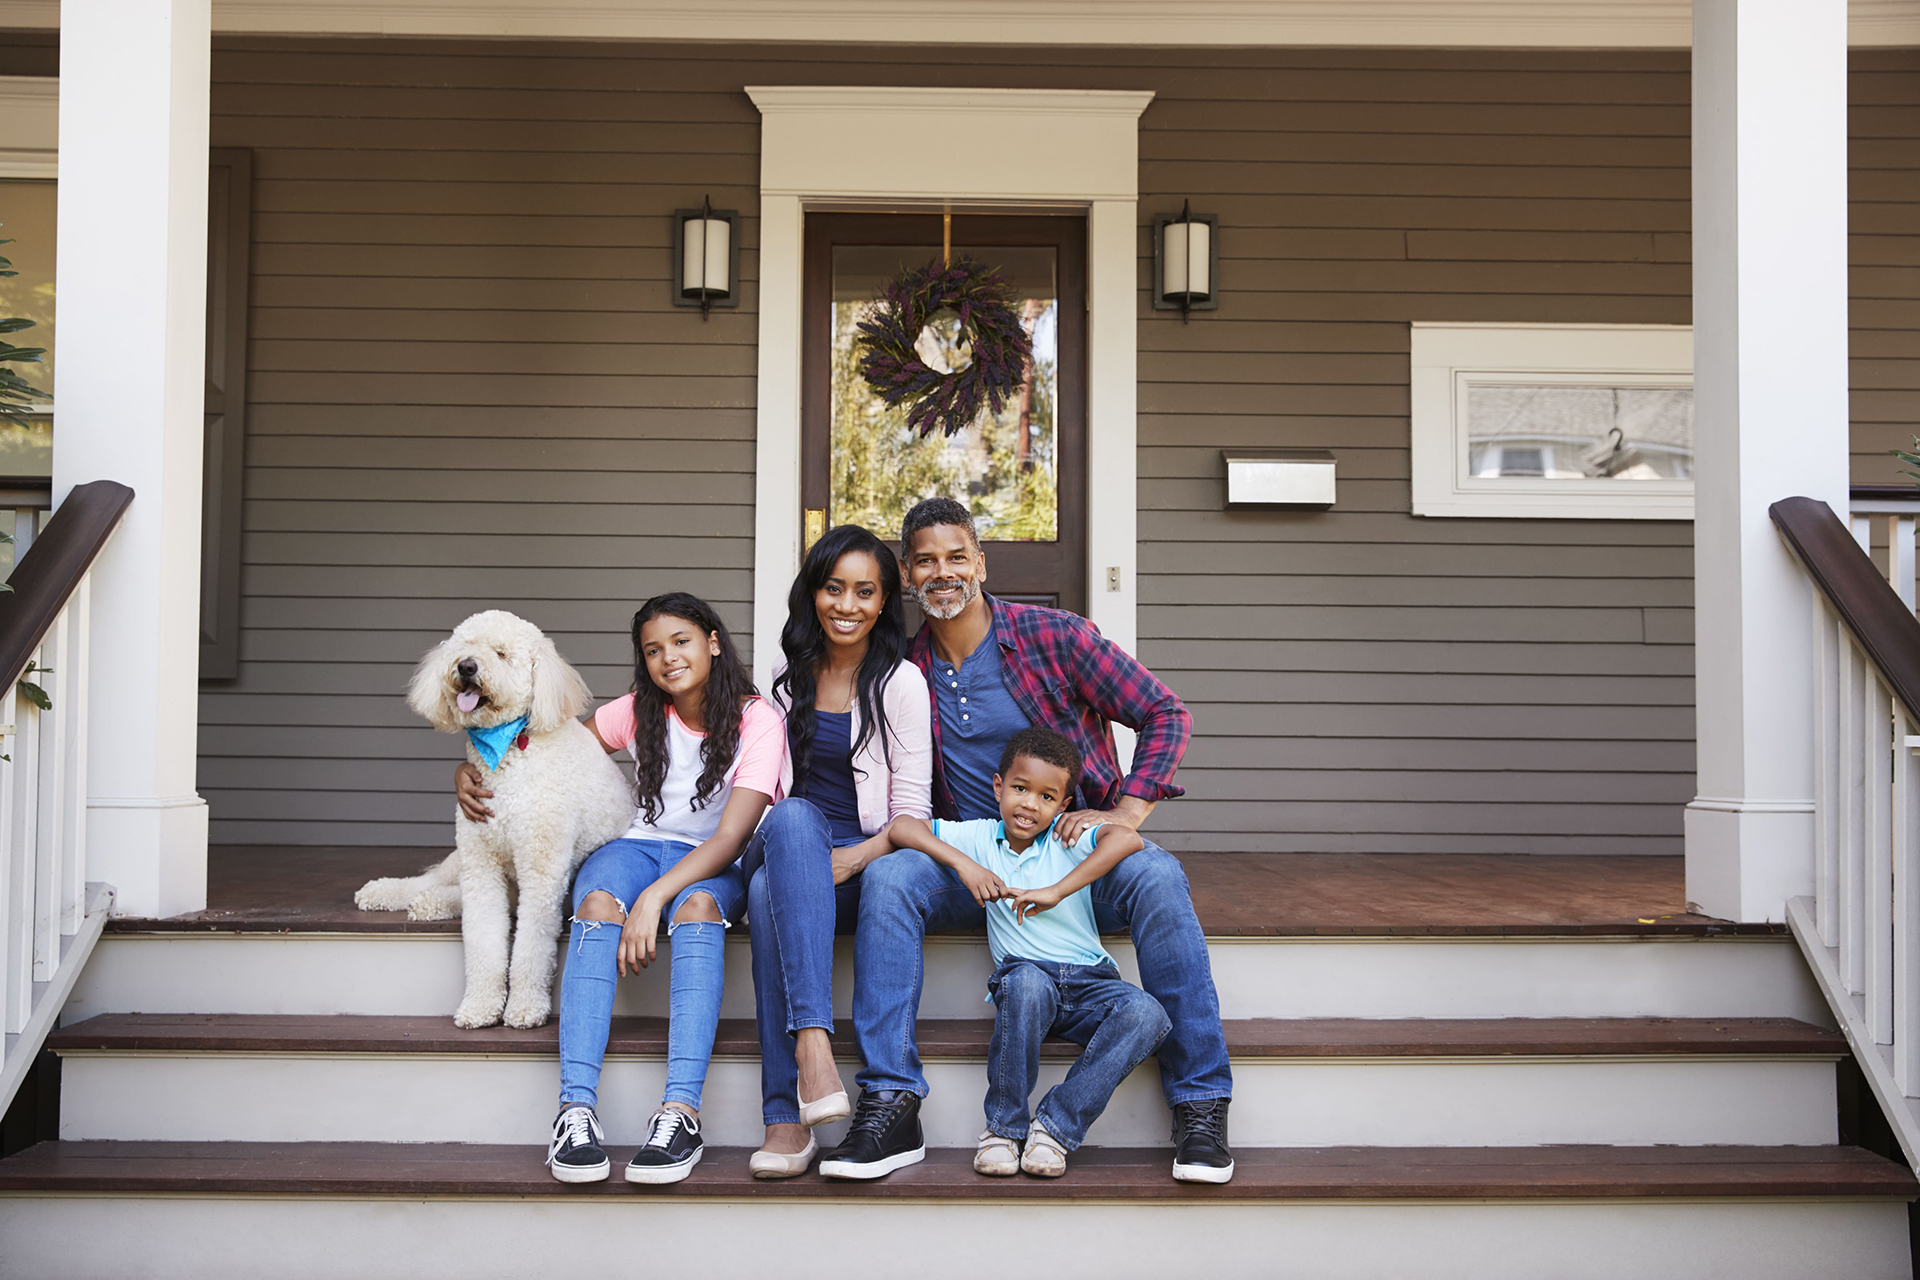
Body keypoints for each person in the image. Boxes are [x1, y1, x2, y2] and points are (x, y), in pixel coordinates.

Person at [818, 497, 1235, 1185]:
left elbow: (1165, 712)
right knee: (892, 881)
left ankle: (1199, 1103)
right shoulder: (900, 671)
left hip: (1075, 852)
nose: (943, 572)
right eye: (926, 560)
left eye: (957, 556)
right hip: (978, 861)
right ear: (907, 573)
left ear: (980, 562)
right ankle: (891, 1099)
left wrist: (1125, 814)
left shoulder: (1055, 638)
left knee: (1158, 877)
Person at [458, 592, 783, 1186]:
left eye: (681, 642)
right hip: (635, 847)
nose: (668, 658)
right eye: (653, 650)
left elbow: (733, 836)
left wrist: (656, 897)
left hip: (713, 859)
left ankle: (681, 1112)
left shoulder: (757, 717)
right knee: (596, 904)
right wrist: (474, 767)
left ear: (713, 641)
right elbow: (548, 751)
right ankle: (575, 1110)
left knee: (700, 908)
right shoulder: (636, 709)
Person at [883, 727, 1168, 1179]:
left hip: (1090, 981)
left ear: (1063, 805)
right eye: (1019, 789)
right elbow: (902, 826)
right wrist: (965, 864)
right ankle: (1003, 1129)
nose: (1030, 805)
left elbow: (1127, 840)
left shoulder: (1067, 838)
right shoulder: (979, 839)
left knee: (1147, 1013)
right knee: (1025, 983)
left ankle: (1055, 1127)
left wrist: (1058, 890)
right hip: (1027, 979)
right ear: (999, 787)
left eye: (1047, 797)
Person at [739, 524, 932, 1179]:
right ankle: (815, 1047)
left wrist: (855, 858)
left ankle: (785, 1118)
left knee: (767, 896)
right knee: (792, 818)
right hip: (794, 842)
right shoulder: (784, 673)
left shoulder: (901, 683)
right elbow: (767, 788)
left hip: (864, 857)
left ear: (884, 603)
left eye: (865, 591)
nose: (846, 604)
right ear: (813, 592)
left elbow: (912, 811)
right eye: (833, 587)